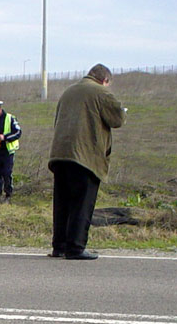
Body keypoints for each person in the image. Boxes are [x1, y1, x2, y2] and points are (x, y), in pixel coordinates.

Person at [48, 63, 126, 260]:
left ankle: (60, 246)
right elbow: (117, 119)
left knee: (62, 203)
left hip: (60, 154)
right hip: (85, 156)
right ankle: (75, 248)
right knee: (81, 203)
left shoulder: (68, 91)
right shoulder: (100, 92)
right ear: (105, 80)